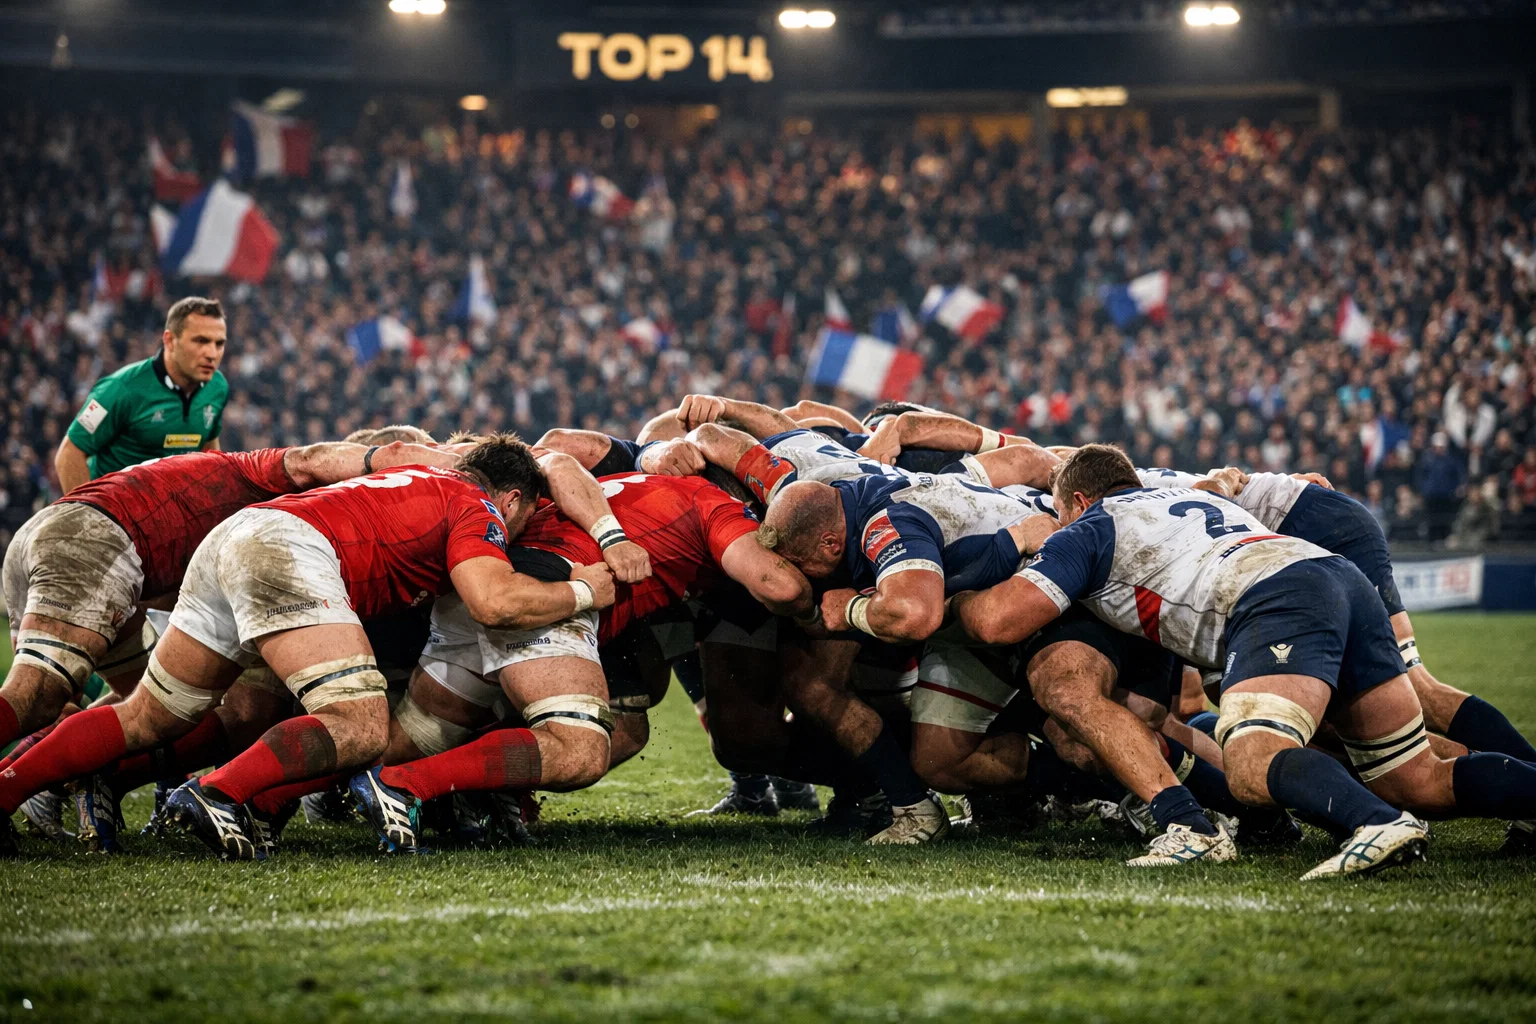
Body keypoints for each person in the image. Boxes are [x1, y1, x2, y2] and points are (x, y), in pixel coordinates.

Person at [0, 435, 635, 858]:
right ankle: (218, 791)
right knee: (360, 726)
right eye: (521, 520)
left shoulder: (415, 477)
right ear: (512, 497)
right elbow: (492, 602)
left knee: (148, 714)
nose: (517, 533)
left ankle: (8, 787)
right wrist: (582, 590)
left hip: (236, 540)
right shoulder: (480, 505)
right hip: (289, 552)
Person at [952, 444, 1536, 879]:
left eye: (1061, 510)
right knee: (1415, 777)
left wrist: (971, 584)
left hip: (1275, 596)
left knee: (1252, 762)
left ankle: (1376, 823)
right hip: (1333, 577)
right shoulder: (1180, 490)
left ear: (1078, 501)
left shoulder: (1088, 528)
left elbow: (999, 622)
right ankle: (1409, 807)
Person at [347, 470, 812, 852]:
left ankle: (284, 794)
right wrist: (829, 604)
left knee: (414, 736)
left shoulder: (631, 479)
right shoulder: (716, 505)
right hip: (548, 597)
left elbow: (556, 458)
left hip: (486, 576)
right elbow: (780, 586)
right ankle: (413, 787)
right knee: (581, 749)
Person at [55, 297, 230, 494]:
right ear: (170, 341)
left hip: (173, 515)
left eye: (219, 343)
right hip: (117, 514)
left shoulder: (217, 387)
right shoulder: (120, 388)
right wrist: (89, 519)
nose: (212, 353)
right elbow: (69, 454)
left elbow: (209, 450)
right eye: (201, 341)